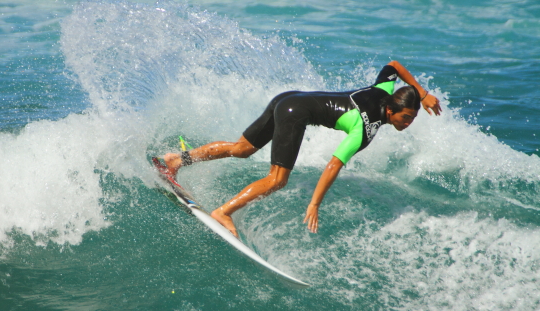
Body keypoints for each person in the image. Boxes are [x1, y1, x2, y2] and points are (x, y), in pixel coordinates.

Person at [162, 61, 442, 237]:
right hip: (295, 112)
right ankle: (224, 211)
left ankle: (176, 160)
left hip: (287, 99)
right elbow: (333, 165)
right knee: (277, 179)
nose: (408, 123)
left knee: (242, 148)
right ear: (391, 110)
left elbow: (393, 66)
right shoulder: (365, 128)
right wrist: (315, 204)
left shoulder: (384, 90)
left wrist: (423, 94)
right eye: (406, 117)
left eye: (412, 118)